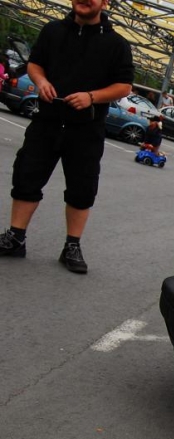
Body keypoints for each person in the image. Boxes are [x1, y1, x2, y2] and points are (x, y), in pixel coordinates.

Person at [0, 0, 134, 274]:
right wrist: (41, 81)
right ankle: (16, 237)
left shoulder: (117, 44)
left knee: (82, 188)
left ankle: (72, 245)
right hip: (46, 121)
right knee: (26, 175)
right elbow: (35, 65)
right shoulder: (53, 30)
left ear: (105, 2)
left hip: (87, 129)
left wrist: (91, 97)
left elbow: (124, 86)